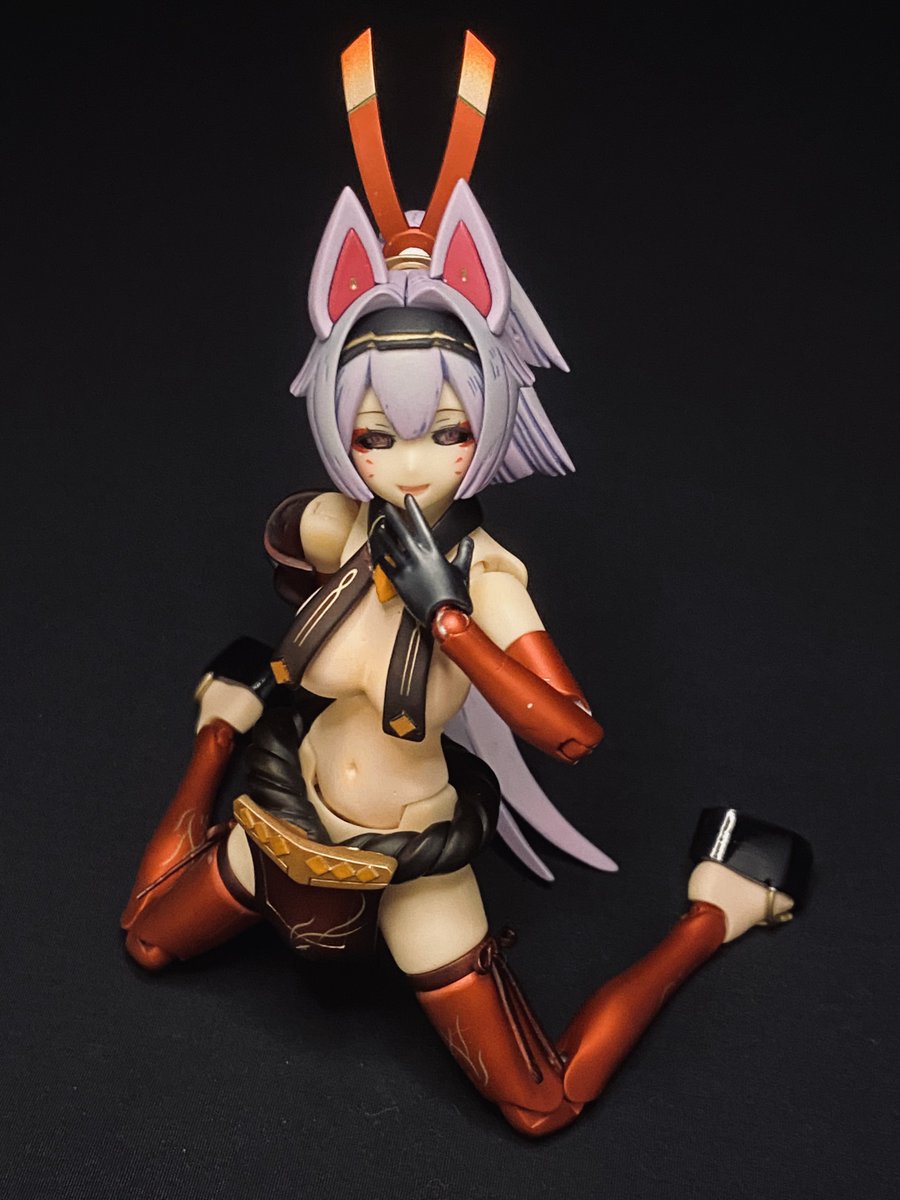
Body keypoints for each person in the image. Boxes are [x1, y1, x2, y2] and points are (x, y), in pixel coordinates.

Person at [121, 31, 811, 1137]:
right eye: (374, 433)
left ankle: (710, 916)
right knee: (149, 940)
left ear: (486, 421)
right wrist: (318, 547)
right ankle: (222, 722)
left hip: (409, 867)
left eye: (444, 432)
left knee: (540, 1103)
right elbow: (282, 533)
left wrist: (447, 613)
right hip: (284, 815)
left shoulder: (486, 576)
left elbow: (573, 733)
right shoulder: (352, 522)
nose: (409, 463)